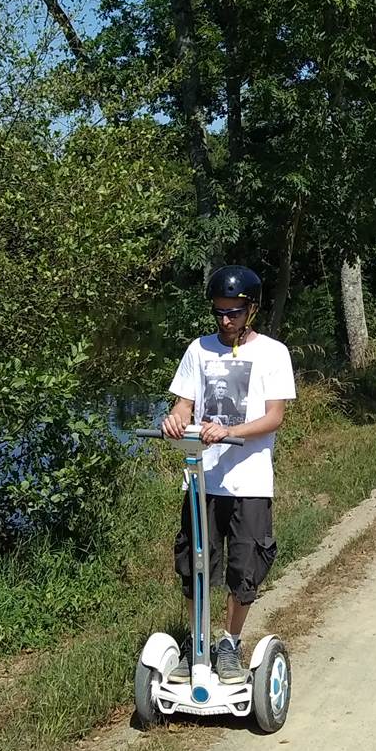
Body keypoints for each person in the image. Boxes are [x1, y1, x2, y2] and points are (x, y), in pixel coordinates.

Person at [160, 265, 296, 684]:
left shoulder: (273, 353)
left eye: (234, 312)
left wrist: (230, 431)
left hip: (250, 480)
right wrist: (177, 418)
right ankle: (198, 644)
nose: (226, 321)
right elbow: (185, 403)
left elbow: (274, 417)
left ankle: (230, 643)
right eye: (219, 312)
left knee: (244, 566)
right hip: (203, 480)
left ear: (251, 309)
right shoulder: (198, 350)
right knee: (195, 565)